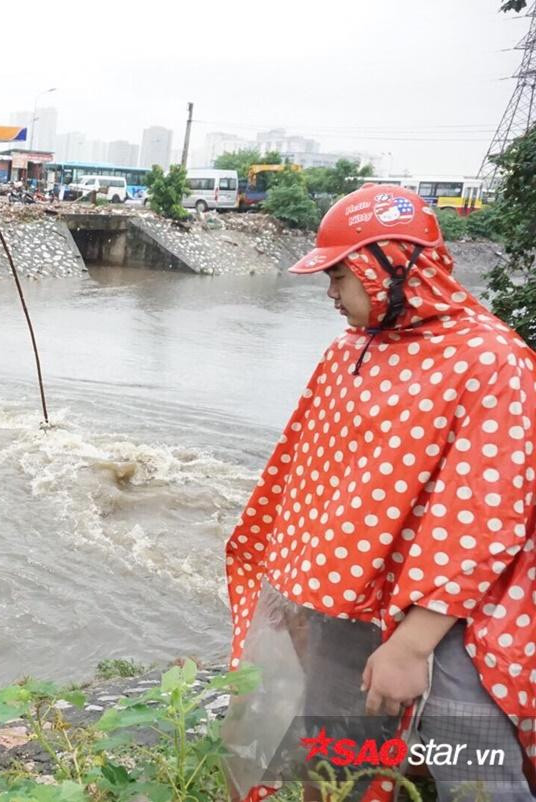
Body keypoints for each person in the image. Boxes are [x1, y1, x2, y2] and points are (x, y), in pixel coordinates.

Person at [223, 185, 536, 801]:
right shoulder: (352, 351)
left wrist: (412, 643)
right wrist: (299, 594)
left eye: (340, 276)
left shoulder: (492, 361)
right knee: (339, 755)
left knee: (472, 771)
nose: (331, 294)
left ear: (393, 268)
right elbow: (311, 477)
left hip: (458, 621)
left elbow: (485, 515)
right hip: (347, 608)